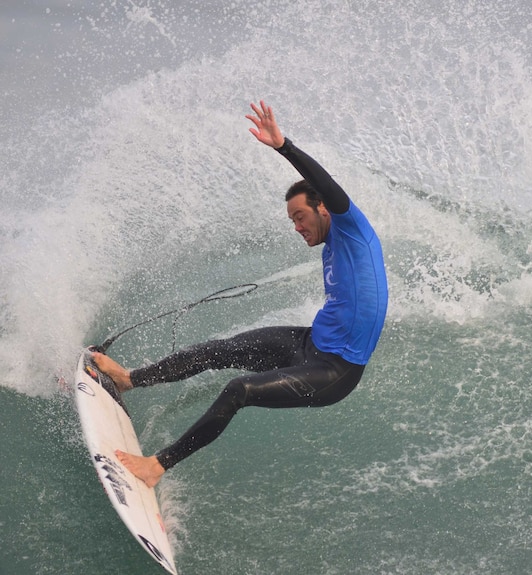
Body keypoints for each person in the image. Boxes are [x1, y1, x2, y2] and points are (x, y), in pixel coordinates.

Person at [94, 100, 388, 488]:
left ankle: (155, 467)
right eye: (292, 221)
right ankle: (131, 379)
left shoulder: (352, 229)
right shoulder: (333, 243)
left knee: (239, 390)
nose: (297, 226)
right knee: (218, 349)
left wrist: (285, 147)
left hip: (334, 371)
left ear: (324, 209)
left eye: (300, 216)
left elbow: (329, 186)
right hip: (310, 342)